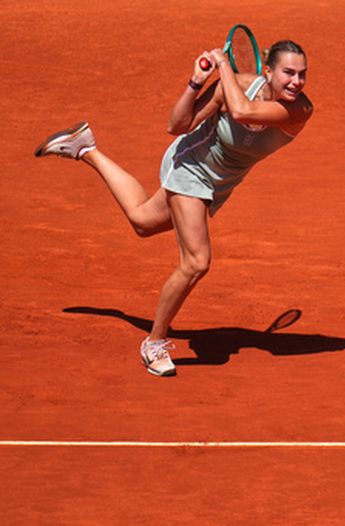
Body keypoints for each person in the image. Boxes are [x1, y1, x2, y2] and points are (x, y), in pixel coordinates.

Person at [34, 40, 313, 377]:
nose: (296, 82)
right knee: (196, 261)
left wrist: (223, 67)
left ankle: (85, 149)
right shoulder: (235, 84)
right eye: (288, 73)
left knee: (142, 221)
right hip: (190, 166)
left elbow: (244, 112)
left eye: (302, 74)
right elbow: (177, 125)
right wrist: (196, 82)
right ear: (268, 71)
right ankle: (154, 343)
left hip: (218, 183)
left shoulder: (300, 110)